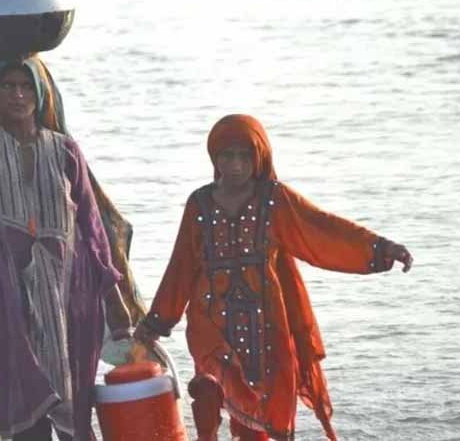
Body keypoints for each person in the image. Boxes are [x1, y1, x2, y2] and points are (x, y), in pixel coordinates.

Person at [0, 0, 145, 439]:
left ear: (40, 94)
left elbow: (91, 229)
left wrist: (113, 299)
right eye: (7, 87)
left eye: (25, 86)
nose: (17, 95)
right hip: (13, 294)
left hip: (74, 293)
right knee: (24, 408)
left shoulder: (65, 152)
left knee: (74, 405)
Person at [134, 114, 413, 441]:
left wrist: (381, 248)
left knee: (268, 409)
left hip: (267, 321)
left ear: (259, 157)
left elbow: (323, 230)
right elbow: (181, 266)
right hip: (210, 318)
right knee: (209, 389)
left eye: (244, 156)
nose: (235, 165)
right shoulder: (199, 203)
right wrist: (155, 323)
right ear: (214, 157)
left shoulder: (275, 199)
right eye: (227, 155)